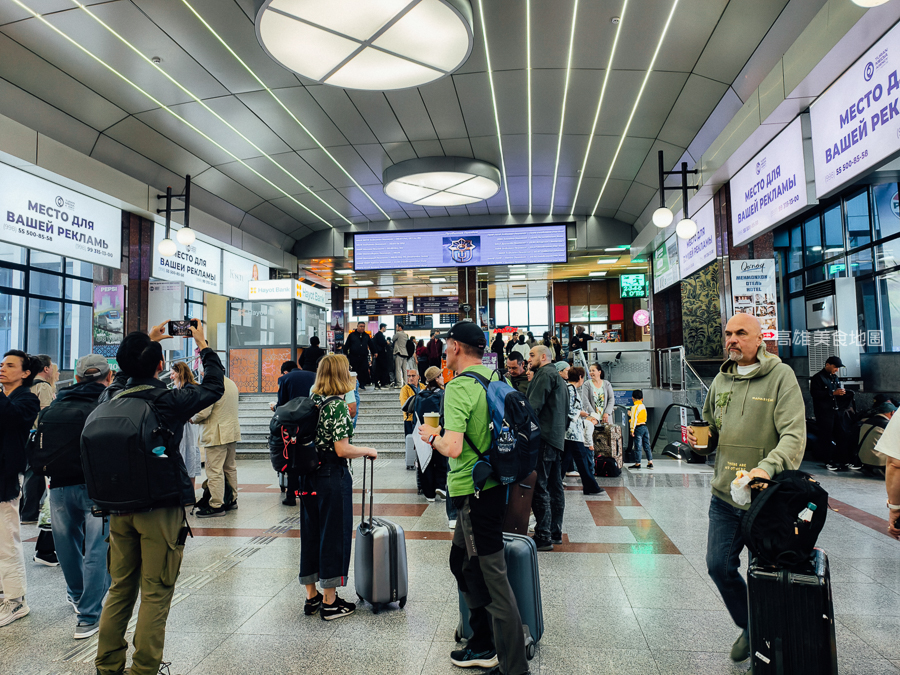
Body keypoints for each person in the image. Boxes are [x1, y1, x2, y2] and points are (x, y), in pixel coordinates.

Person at [94, 320, 225, 675]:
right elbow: (214, 385)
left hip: (118, 508)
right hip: (159, 507)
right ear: (158, 366)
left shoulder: (110, 394)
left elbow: (124, 375)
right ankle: (144, 669)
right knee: (155, 589)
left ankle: (107, 666)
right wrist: (202, 343)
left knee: (120, 588)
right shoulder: (167, 400)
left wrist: (145, 341)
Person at [685, 313, 805, 663]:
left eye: (741, 333)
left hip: (766, 499)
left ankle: (766, 649)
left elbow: (794, 437)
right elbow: (712, 431)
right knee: (718, 565)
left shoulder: (780, 377)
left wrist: (766, 467)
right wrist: (700, 442)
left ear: (759, 340)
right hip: (725, 493)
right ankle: (752, 625)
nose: (732, 340)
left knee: (762, 574)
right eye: (728, 334)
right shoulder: (722, 380)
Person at [416, 321, 529, 675]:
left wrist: (430, 435)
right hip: (491, 484)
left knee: (491, 576)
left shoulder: (460, 386)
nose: (444, 351)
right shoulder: (497, 379)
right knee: (461, 562)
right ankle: (480, 639)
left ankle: (511, 663)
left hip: (476, 492)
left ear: (455, 347)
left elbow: (453, 445)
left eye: (447, 346)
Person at [299, 354, 376, 621]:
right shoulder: (337, 406)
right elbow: (342, 449)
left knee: (311, 532)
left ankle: (312, 596)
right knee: (333, 534)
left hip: (308, 476)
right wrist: (367, 450)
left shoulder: (311, 402)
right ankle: (330, 602)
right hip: (332, 476)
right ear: (342, 375)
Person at [45, 354, 114, 639]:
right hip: (96, 487)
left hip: (59, 484)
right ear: (108, 378)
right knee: (97, 548)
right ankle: (88, 616)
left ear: (75, 378)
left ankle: (76, 596)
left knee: (65, 545)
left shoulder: (57, 402)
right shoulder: (108, 403)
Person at [0, 351, 40, 627]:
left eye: (10, 365)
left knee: (6, 540)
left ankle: (16, 600)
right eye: (2, 364)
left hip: (6, 477)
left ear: (25, 373)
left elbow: (11, 418)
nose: (3, 368)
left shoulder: (27, 399)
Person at [527, 344, 567, 552]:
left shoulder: (544, 375)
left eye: (532, 355)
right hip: (557, 437)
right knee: (555, 485)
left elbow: (533, 408)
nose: (529, 358)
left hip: (543, 436)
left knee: (539, 485)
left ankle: (543, 535)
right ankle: (555, 531)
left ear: (544, 357)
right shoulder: (560, 378)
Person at [192, 372, 242, 517]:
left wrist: (191, 418)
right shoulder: (231, 383)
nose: (201, 373)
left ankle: (216, 505)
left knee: (214, 470)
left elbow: (203, 412)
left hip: (216, 433)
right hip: (231, 431)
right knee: (230, 467)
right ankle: (232, 500)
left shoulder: (212, 385)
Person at [413, 367, 458, 528]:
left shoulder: (419, 395)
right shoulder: (442, 394)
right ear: (436, 378)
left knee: (425, 464)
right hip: (438, 432)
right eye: (440, 376)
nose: (442, 378)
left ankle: (429, 493)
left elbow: (415, 416)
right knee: (440, 459)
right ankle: (440, 486)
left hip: (422, 433)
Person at [20, 354, 56, 525]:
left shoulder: (26, 385)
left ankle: (26, 510)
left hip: (25, 433)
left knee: (28, 472)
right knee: (35, 474)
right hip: (37, 434)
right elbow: (46, 413)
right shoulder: (43, 386)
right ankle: (29, 512)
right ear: (46, 368)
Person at [563, 368, 603, 495]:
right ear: (580, 377)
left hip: (570, 432)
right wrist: (580, 413)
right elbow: (569, 409)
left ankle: (556, 481)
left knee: (565, 460)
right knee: (582, 459)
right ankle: (591, 486)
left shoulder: (569, 388)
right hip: (573, 432)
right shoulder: (571, 390)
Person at [810, 356, 854, 471]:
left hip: (837, 411)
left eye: (838, 368)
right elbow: (815, 394)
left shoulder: (835, 377)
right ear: (827, 365)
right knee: (826, 436)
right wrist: (832, 393)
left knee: (842, 435)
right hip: (824, 413)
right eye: (835, 367)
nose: (836, 370)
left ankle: (844, 460)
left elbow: (837, 392)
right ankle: (828, 461)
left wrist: (843, 393)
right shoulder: (818, 378)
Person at [170, 362, 202, 489]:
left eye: (172, 373)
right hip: (180, 428)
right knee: (184, 457)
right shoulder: (175, 390)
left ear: (179, 373)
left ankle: (190, 492)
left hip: (188, 427)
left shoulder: (191, 389)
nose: (171, 377)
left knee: (189, 458)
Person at [858, 398, 896, 476]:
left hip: (862, 459)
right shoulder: (887, 425)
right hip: (877, 460)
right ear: (892, 413)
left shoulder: (867, 421)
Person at [401, 369, 425, 477]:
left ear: (418, 376)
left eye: (413, 375)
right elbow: (404, 405)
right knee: (410, 441)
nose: (411, 378)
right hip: (409, 419)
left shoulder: (423, 387)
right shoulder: (404, 389)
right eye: (409, 376)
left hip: (421, 418)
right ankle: (410, 461)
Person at [343, 322, 373, 390]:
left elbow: (371, 345)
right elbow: (347, 345)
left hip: (363, 357)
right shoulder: (352, 335)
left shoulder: (366, 336)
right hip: (354, 357)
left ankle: (362, 384)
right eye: (361, 326)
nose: (362, 328)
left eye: (363, 326)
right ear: (357, 326)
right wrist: (345, 353)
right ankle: (354, 384)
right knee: (354, 370)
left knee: (363, 370)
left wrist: (375, 352)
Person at [629, 390, 652, 469]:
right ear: (642, 398)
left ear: (633, 398)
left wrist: (632, 430)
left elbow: (634, 419)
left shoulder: (635, 407)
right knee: (647, 445)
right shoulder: (643, 406)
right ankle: (650, 462)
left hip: (638, 428)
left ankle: (638, 463)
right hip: (645, 426)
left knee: (638, 446)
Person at [372, 324, 391, 389]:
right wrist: (386, 342)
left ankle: (378, 383)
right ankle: (382, 383)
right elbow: (382, 343)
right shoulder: (380, 335)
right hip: (381, 354)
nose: (385, 329)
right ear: (383, 327)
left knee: (378, 369)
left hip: (379, 354)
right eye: (385, 328)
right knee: (382, 368)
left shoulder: (377, 335)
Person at [393, 323, 413, 388]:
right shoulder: (405, 335)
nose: (396, 328)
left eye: (397, 327)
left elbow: (393, 339)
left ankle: (399, 384)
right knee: (404, 369)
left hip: (399, 353)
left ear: (400, 327)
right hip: (405, 353)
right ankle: (405, 383)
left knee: (398, 369)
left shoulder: (398, 334)